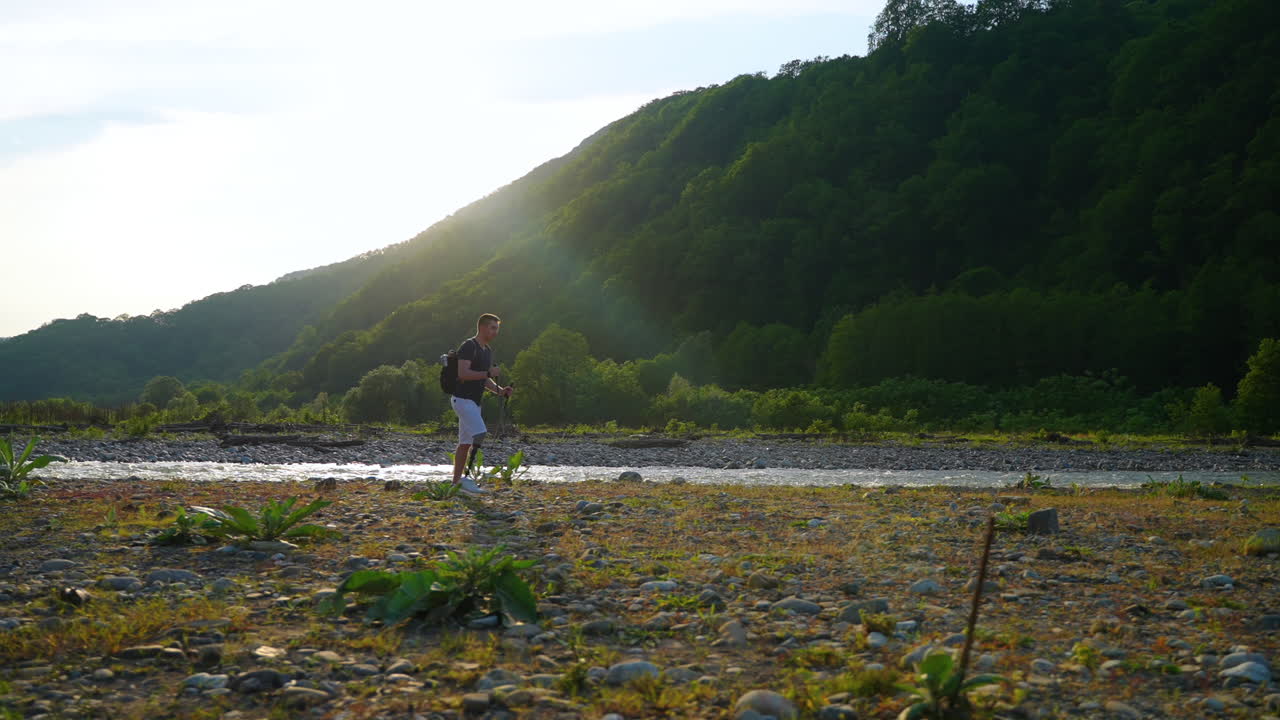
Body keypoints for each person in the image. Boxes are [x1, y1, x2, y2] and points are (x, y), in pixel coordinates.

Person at [450, 313, 513, 495]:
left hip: (474, 402)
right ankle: (466, 479)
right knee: (480, 433)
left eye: (497, 328)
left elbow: (485, 381)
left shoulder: (487, 351)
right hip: (462, 399)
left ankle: (456, 484)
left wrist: (500, 391)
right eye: (493, 328)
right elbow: (463, 373)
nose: (496, 332)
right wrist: (488, 373)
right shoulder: (469, 346)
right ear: (483, 327)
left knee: (464, 443)